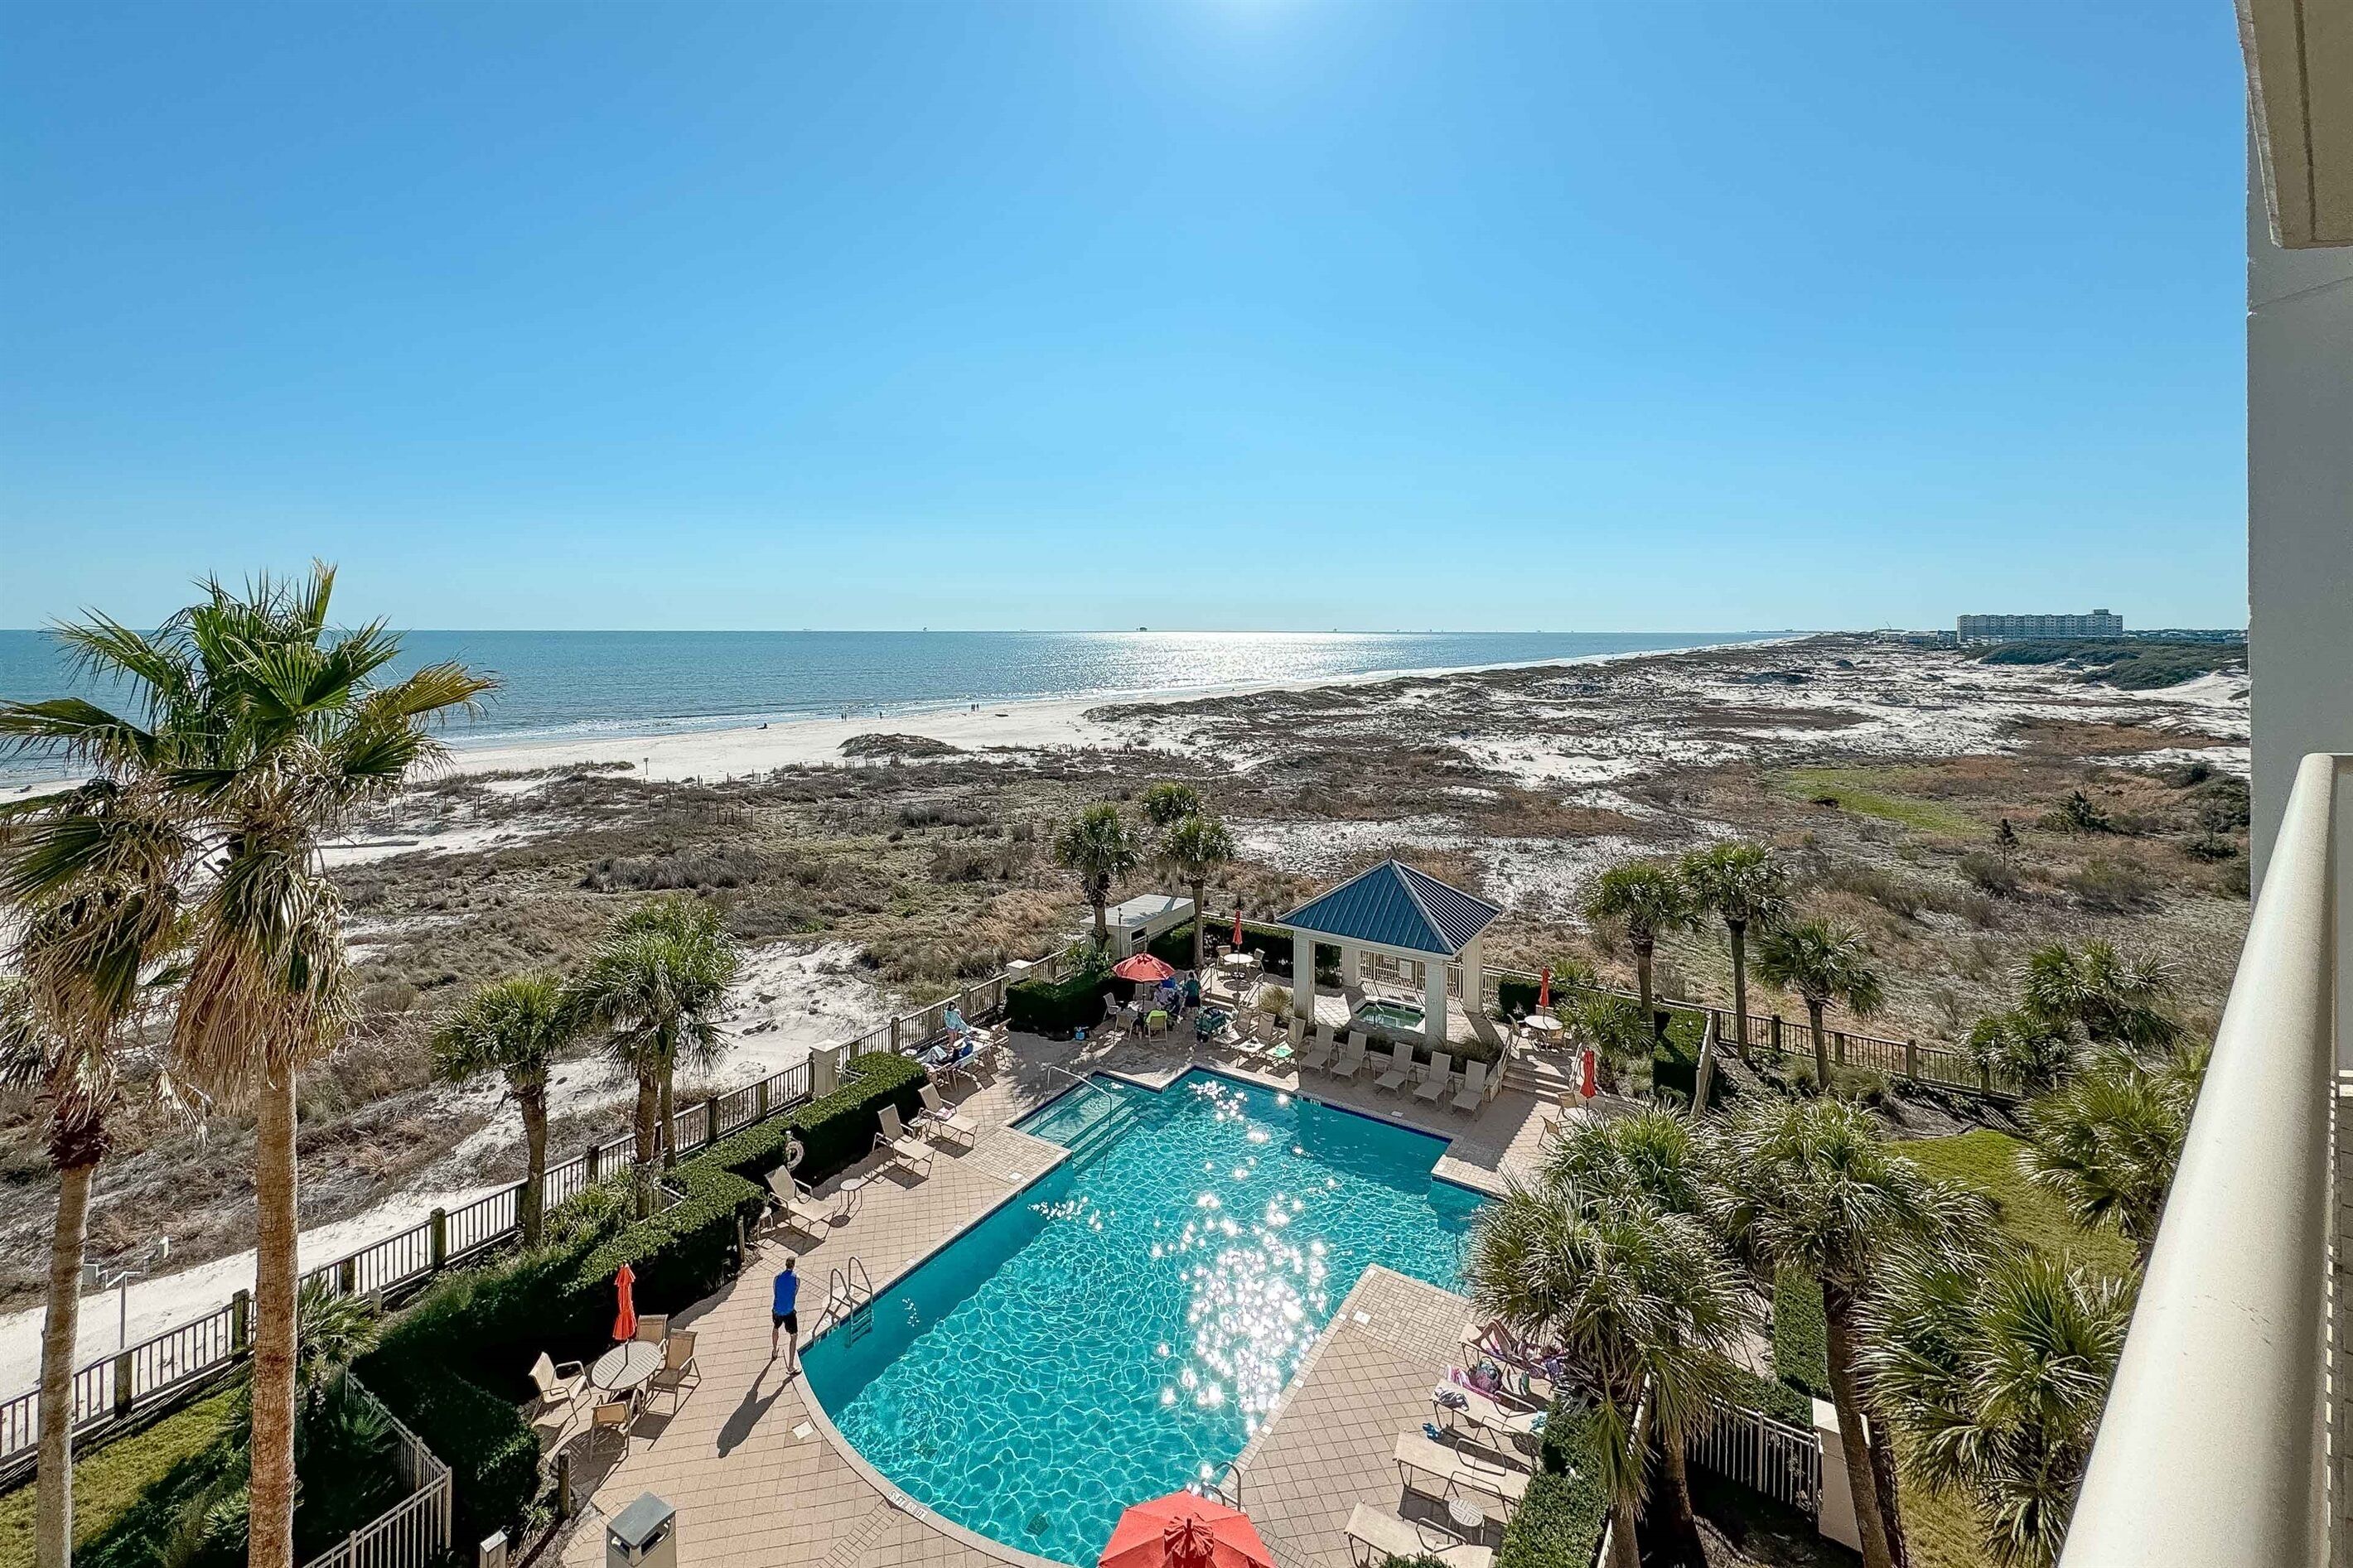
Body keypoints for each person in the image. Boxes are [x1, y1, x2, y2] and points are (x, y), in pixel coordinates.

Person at [771, 1256, 801, 1372]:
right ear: (793, 1265)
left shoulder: (777, 1277)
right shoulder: (796, 1278)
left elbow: (775, 1292)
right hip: (789, 1311)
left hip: (777, 1309)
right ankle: (791, 1366)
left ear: (785, 1264)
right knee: (794, 1336)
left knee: (776, 1327)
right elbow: (795, 1293)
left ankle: (775, 1351)